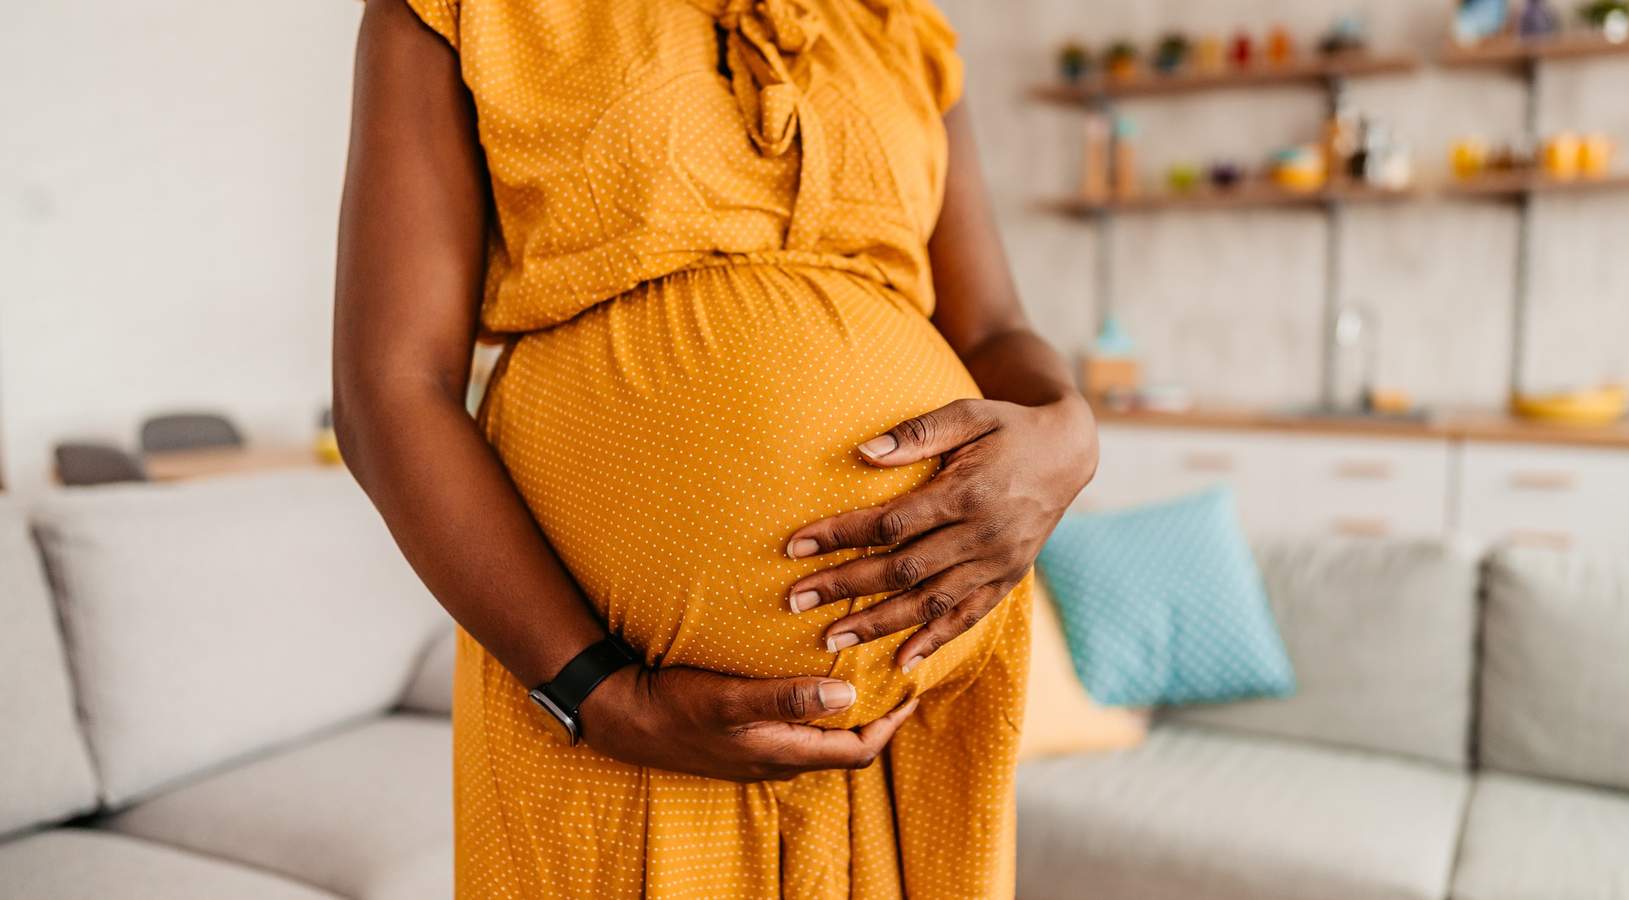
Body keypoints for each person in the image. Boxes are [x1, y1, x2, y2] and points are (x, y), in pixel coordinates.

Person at [332, 0, 1097, 895]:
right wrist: (601, 696)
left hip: (905, 739)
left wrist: (1066, 429)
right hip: (606, 715)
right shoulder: (457, 13)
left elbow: (995, 326)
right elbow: (389, 389)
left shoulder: (899, 26)